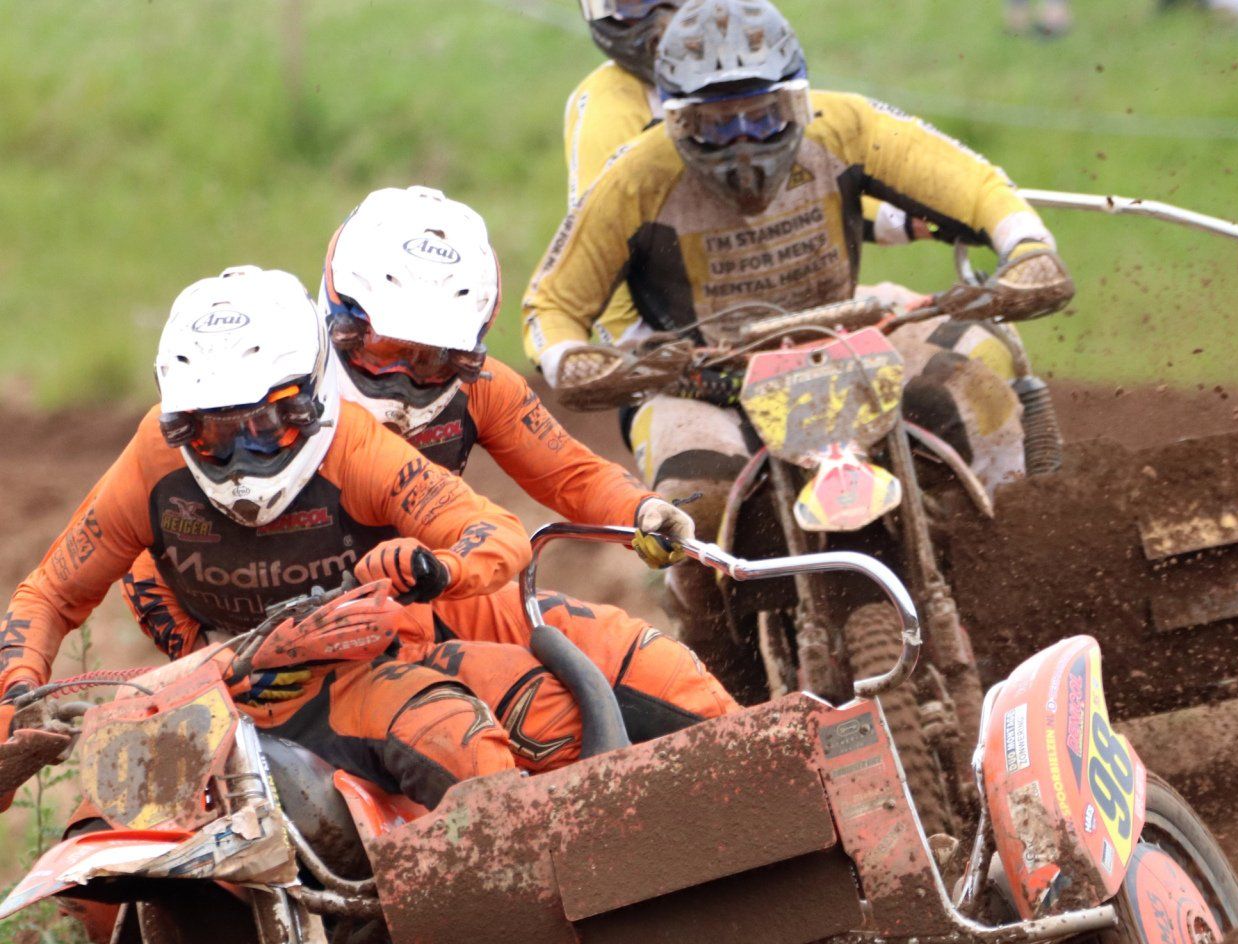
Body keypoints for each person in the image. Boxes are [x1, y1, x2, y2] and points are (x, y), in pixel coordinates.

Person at [120, 187, 739, 765]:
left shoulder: (483, 389)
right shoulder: (249, 401)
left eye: (429, 358)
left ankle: (780, 798)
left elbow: (569, 472)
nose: (401, 380)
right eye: (382, 351)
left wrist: (640, 512)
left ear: (466, 350)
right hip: (323, 642)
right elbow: (145, 535)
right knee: (538, 716)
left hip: (441, 591)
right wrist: (207, 652)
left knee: (650, 665)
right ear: (339, 318)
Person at [523, 0, 1074, 637]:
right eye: (715, 126)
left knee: (982, 396)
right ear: (673, 120)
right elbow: (551, 302)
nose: (744, 145)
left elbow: (975, 183)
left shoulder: (844, 126)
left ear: (799, 100)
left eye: (762, 118)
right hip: (698, 375)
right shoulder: (634, 178)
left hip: (847, 331)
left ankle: (1032, 580)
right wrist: (582, 359)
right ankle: (718, 661)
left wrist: (1028, 247)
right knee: (691, 509)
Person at [0, 268, 524, 809]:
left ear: (311, 399)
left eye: (267, 424)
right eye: (213, 433)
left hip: (355, 683)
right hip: (212, 698)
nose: (242, 458)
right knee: (98, 848)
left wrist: (441, 569)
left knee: (463, 744)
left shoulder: (359, 450)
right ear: (180, 422)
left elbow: (495, 531)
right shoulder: (152, 461)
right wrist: (18, 693)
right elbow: (50, 593)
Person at [567, 0, 926, 347]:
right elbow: (598, 247)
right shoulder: (607, 111)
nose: (662, 16)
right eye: (635, 1)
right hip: (691, 340)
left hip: (795, 304)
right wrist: (641, 351)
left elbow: (811, 182)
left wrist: (903, 217)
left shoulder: (749, 57)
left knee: (930, 332)